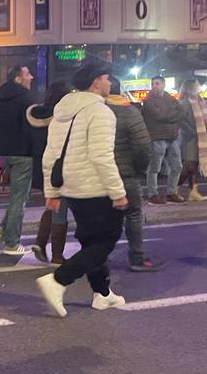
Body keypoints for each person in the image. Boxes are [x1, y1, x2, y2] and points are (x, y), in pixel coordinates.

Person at [36, 61, 128, 317]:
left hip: (70, 187)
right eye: (107, 78)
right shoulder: (100, 112)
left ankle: (103, 294)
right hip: (96, 188)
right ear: (96, 81)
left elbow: (50, 156)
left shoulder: (61, 112)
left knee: (91, 241)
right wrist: (117, 191)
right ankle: (58, 281)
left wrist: (51, 193)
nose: (110, 83)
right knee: (107, 239)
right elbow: (101, 156)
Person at [106, 77, 159, 271]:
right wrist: (139, 168)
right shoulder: (130, 112)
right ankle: (136, 257)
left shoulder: (95, 110)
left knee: (103, 217)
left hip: (100, 173)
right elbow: (143, 145)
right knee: (133, 214)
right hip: (125, 172)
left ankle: (99, 258)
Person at [0, 65, 35, 255]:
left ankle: (3, 228)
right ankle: (12, 242)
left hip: (5, 152)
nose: (31, 77)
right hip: (23, 152)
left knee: (16, 195)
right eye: (27, 74)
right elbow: (32, 126)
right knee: (19, 198)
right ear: (17, 78)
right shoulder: (26, 99)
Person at [26, 82, 73, 264]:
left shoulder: (33, 115)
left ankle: (40, 242)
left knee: (52, 205)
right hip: (58, 167)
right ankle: (58, 256)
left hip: (40, 166)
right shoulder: (62, 118)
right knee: (60, 208)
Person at [141, 75, 183, 204]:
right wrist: (171, 115)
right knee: (155, 167)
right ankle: (152, 193)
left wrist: (167, 115)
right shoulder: (148, 100)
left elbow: (179, 112)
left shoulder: (170, 98)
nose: (154, 86)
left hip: (172, 136)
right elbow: (159, 116)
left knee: (177, 166)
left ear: (163, 85)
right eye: (153, 84)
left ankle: (172, 192)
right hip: (156, 136)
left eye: (157, 83)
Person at [177, 79, 207, 201]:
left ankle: (193, 191)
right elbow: (179, 119)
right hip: (189, 139)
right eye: (196, 86)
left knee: (194, 166)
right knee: (189, 165)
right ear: (189, 88)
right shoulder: (184, 103)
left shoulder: (201, 102)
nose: (199, 87)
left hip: (200, 139)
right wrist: (191, 131)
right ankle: (174, 188)